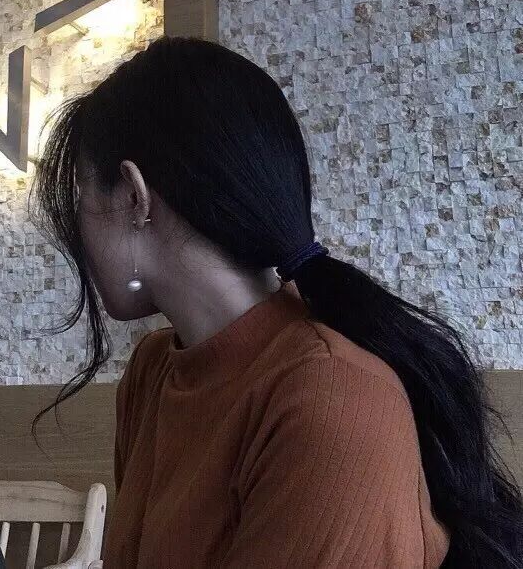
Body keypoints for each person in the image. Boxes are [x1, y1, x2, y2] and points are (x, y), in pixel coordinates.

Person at [29, 35, 523, 567]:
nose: (77, 230)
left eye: (82, 196)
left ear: (134, 195)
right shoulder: (153, 373)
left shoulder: (332, 400)